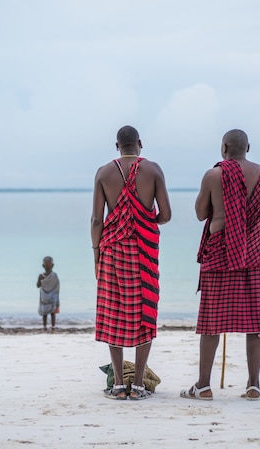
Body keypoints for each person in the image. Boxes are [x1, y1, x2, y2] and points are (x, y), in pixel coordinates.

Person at [180, 129, 260, 401]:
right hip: (255, 255)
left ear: (223, 148)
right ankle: (254, 385)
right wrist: (247, 231)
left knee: (211, 322)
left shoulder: (214, 175)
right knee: (255, 321)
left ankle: (203, 386)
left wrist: (228, 217)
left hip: (220, 254)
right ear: (248, 147)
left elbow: (201, 213)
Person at [91, 125, 172, 400]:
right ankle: (138, 385)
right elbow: (166, 214)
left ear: (117, 146)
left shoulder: (103, 173)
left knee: (113, 312)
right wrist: (147, 221)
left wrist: (96, 254)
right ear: (140, 143)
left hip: (112, 251)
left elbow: (96, 221)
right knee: (144, 312)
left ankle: (116, 386)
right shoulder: (153, 170)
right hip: (142, 251)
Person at [36, 256, 60, 330]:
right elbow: (38, 285)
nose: (47, 266)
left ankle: (53, 326)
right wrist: (41, 280)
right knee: (44, 313)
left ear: (52, 265)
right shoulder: (41, 276)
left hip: (53, 297)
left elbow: (57, 287)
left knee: (53, 313)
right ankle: (44, 326)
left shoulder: (54, 275)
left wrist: (57, 299)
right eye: (46, 264)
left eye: (49, 264)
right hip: (44, 297)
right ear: (43, 266)